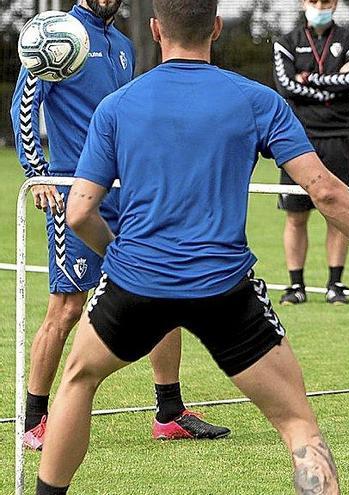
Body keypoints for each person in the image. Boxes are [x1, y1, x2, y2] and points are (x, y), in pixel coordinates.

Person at [33, 1, 349, 493]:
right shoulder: (256, 100)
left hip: (134, 284)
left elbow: (78, 213)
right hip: (225, 290)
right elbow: (325, 191)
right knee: (298, 424)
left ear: (156, 30)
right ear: (216, 28)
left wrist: (117, 254)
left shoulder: (117, 106)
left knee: (77, 380)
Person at [9, 0, 228, 451]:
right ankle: (34, 421)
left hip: (129, 190)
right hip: (75, 191)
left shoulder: (124, 44)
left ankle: (170, 412)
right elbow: (24, 108)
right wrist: (37, 173)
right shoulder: (56, 32)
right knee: (67, 307)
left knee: (163, 291)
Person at [272, 0, 349, 305]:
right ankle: (295, 286)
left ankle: (335, 285)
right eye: (314, 1)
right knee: (296, 214)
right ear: (304, 3)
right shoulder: (286, 43)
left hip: (338, 135)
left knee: (338, 212)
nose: (320, 6)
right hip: (298, 137)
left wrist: (310, 78)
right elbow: (286, 86)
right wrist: (330, 85)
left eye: (326, 1)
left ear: (335, 4)